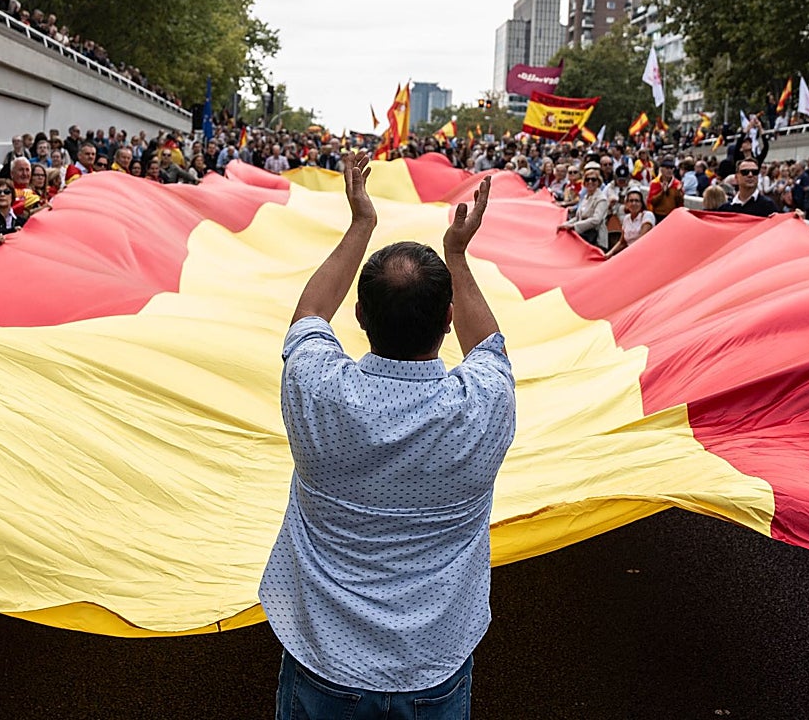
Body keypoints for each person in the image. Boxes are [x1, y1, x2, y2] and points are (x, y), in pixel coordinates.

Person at [260, 154, 515, 719]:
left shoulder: (318, 390)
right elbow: (489, 348)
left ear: (360, 315)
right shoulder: (482, 407)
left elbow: (309, 313)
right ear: (447, 319)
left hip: (325, 662)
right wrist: (458, 256)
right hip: (433, 667)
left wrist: (360, 224)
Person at [558, 166, 608, 247]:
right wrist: (565, 224)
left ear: (598, 182)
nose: (590, 182)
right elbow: (578, 217)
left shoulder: (601, 199)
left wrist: (574, 226)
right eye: (587, 179)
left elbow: (596, 220)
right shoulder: (585, 197)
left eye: (593, 179)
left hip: (595, 240)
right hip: (582, 237)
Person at [604, 189, 655, 260]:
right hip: (630, 254)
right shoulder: (626, 218)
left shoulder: (647, 215)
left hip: (644, 254)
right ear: (627, 204)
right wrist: (610, 253)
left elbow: (642, 240)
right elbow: (622, 242)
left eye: (637, 201)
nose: (634, 203)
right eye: (631, 201)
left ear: (641, 203)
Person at [648, 158, 684, 223]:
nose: (669, 170)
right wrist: (662, 192)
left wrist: (679, 193)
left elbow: (680, 204)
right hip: (658, 216)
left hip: (672, 216)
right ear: (661, 169)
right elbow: (652, 202)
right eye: (667, 168)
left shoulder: (677, 184)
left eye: (671, 168)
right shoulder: (655, 183)